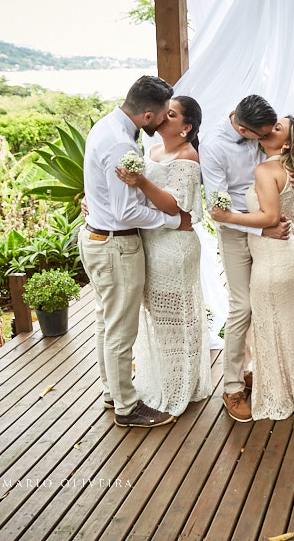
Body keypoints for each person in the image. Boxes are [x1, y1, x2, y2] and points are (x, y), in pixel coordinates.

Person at [78, 75, 192, 428]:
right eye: (161, 116)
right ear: (147, 115)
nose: (162, 122)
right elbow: (127, 211)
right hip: (116, 246)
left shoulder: (106, 127)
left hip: (97, 238)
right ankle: (127, 408)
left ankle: (113, 393)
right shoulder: (121, 146)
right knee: (120, 331)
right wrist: (174, 222)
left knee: (106, 322)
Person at [211, 116, 294, 420]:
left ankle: (278, 391)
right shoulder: (288, 167)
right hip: (289, 250)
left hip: (275, 256)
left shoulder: (266, 168)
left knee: (271, 325)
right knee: (290, 324)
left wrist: (227, 217)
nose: (270, 128)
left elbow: (270, 217)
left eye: (277, 127)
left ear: (285, 143)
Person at [113, 96, 211, 418]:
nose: (161, 118)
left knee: (178, 319)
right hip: (151, 243)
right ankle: (162, 376)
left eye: (170, 115)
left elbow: (176, 206)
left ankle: (181, 384)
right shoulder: (152, 150)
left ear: (185, 128)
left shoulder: (188, 156)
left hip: (175, 248)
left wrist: (141, 180)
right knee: (158, 317)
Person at [199, 94, 294, 424]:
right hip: (238, 231)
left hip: (266, 228)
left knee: (263, 301)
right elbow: (218, 211)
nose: (267, 139)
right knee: (242, 306)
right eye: (262, 136)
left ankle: (256, 370)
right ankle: (232, 386)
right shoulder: (212, 146)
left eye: (270, 133)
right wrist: (263, 229)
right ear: (242, 128)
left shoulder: (259, 128)